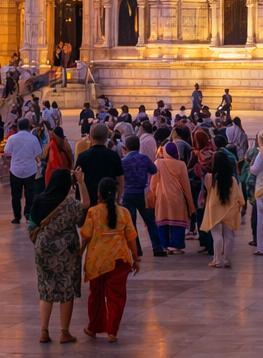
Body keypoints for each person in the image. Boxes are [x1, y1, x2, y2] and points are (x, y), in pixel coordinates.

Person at [78, 172, 138, 342]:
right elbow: (131, 238)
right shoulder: (124, 212)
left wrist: (79, 255)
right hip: (120, 259)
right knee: (116, 296)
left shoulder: (93, 212)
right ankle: (112, 331)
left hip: (96, 261)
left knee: (95, 295)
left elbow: (85, 236)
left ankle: (93, 327)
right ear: (116, 194)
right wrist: (136, 258)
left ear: (99, 194)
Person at [30, 168, 84, 343]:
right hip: (67, 251)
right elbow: (85, 208)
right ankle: (64, 332)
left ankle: (44, 331)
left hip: (43, 249)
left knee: (46, 289)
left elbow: (32, 225)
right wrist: (81, 182)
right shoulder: (70, 204)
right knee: (66, 289)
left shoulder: (39, 200)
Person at [201, 149, 246, 268]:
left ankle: (217, 260)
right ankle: (227, 260)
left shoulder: (209, 177)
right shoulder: (232, 179)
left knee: (216, 236)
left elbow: (206, 188)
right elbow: (238, 196)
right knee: (229, 236)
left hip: (214, 208)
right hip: (229, 208)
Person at [151, 140, 196, 254]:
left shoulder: (158, 163)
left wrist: (152, 199)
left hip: (162, 197)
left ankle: (164, 245)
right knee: (178, 222)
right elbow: (186, 186)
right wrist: (190, 203)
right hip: (178, 198)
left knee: (163, 222)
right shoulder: (181, 164)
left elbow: (153, 184)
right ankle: (176, 246)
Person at [5, 117, 44, 224]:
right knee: (29, 194)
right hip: (29, 170)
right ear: (28, 127)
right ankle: (28, 214)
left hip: (15, 170)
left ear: (18, 126)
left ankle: (16, 216)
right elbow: (38, 152)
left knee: (15, 195)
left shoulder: (12, 138)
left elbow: (7, 151)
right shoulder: (33, 139)